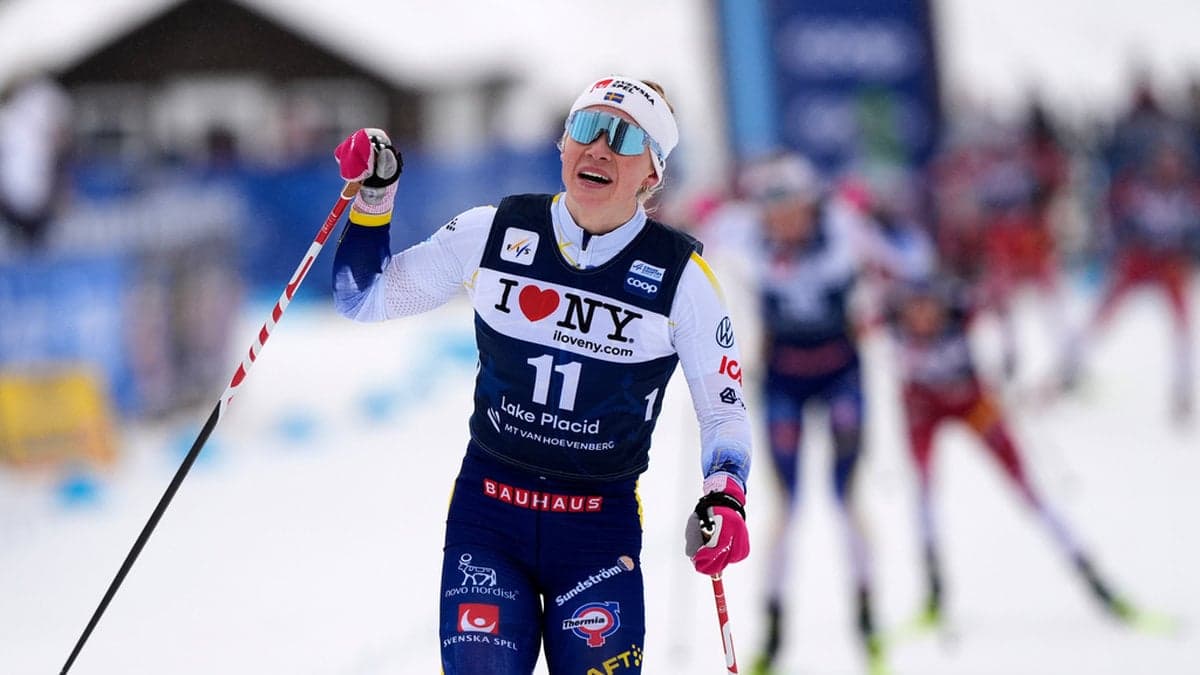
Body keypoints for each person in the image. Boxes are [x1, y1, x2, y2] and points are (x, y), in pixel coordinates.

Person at [329, 76, 753, 674]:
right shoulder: (493, 231)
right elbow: (363, 298)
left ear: (652, 172)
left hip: (595, 533)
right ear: (563, 143)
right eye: (587, 128)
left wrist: (726, 495)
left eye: (625, 138)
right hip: (490, 514)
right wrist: (375, 197)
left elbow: (724, 411)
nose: (599, 148)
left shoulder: (682, 278)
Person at [723, 153, 897, 675]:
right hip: (783, 381)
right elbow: (694, 237)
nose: (782, 222)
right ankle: (774, 629)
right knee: (786, 506)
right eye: (772, 211)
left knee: (846, 497)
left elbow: (907, 258)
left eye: (792, 209)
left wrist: (881, 214)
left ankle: (867, 618)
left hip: (840, 376)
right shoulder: (745, 233)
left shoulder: (842, 228)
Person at [884, 276, 1134, 629]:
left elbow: (1001, 303)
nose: (923, 318)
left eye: (929, 308)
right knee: (923, 490)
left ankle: (1091, 574)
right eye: (915, 309)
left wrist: (1008, 358)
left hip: (973, 404)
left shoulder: (961, 314)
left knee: (1027, 488)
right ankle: (934, 590)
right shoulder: (890, 323)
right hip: (922, 410)